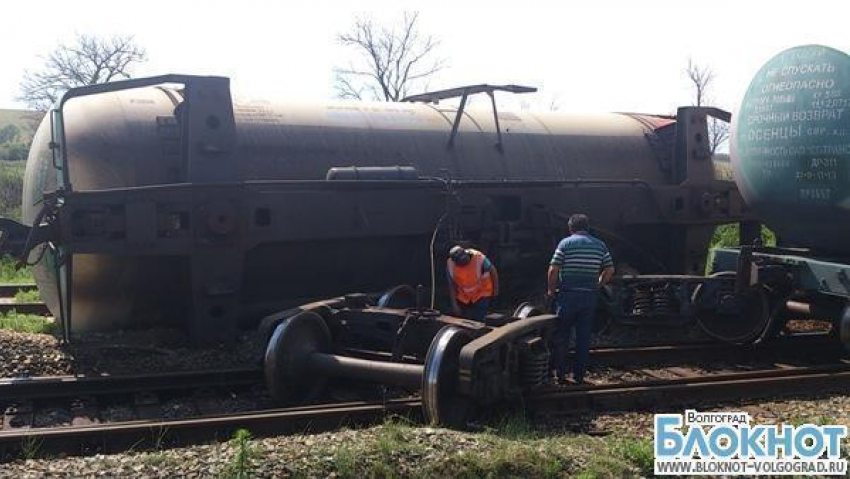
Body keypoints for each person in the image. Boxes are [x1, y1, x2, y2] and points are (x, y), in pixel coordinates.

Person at [547, 214, 614, 385]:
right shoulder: (600, 245)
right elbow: (610, 269)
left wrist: (551, 291)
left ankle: (561, 375)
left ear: (571, 227)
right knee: (583, 338)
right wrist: (598, 284)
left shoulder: (565, 243)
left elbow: (553, 270)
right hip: (589, 296)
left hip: (568, 295)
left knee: (562, 336)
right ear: (588, 227)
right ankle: (579, 376)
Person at [447, 245, 499, 321]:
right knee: (464, 320)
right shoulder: (450, 264)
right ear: (455, 261)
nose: (464, 262)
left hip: (482, 293)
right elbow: (451, 285)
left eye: (465, 260)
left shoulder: (479, 258)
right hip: (464, 297)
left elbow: (493, 271)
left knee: (479, 319)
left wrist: (496, 291)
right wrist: (454, 305)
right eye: (461, 262)